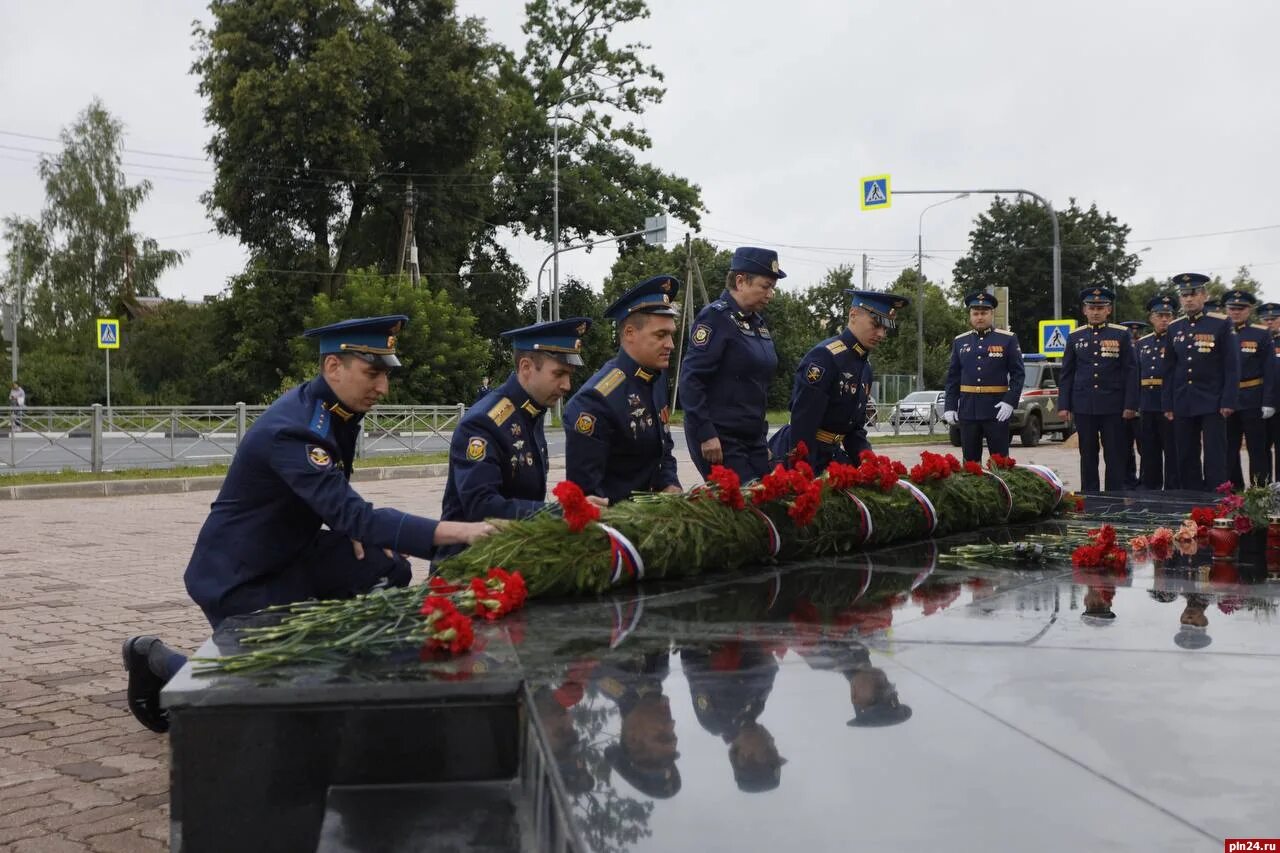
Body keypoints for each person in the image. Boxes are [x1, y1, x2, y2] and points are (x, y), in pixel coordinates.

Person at [123, 316, 496, 733]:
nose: (383, 388)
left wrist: (353, 527)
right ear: (333, 367)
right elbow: (352, 513)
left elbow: (333, 501)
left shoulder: (333, 411)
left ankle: (339, 666)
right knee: (260, 700)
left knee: (385, 565)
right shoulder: (297, 429)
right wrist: (461, 531)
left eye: (386, 375)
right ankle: (155, 657)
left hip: (290, 555)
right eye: (373, 373)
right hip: (241, 577)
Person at [440, 318, 606, 555]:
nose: (567, 385)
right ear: (526, 367)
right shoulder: (484, 422)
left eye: (569, 375)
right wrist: (559, 512)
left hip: (510, 554)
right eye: (559, 374)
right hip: (469, 566)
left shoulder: (530, 412)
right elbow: (482, 507)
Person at [565, 275, 682, 504]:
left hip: (656, 519)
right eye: (661, 335)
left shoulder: (655, 377)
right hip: (619, 529)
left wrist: (671, 484)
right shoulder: (596, 400)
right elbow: (587, 496)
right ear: (629, 333)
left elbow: (663, 449)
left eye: (671, 334)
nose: (670, 344)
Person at [769, 290, 908, 472]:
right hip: (801, 456)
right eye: (875, 325)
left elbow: (854, 430)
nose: (881, 334)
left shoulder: (865, 368)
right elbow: (803, 423)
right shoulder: (825, 357)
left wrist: (869, 464)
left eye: (885, 329)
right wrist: (802, 473)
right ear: (853, 315)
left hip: (831, 455)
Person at [679, 247, 783, 482]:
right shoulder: (715, 318)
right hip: (720, 439)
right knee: (746, 510)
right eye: (765, 287)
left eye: (773, 288)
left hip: (752, 438)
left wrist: (760, 439)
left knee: (771, 502)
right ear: (741, 281)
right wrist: (705, 433)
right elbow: (691, 380)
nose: (770, 294)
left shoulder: (758, 323)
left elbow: (756, 387)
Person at [1058, 287, 1140, 492]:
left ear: (1108, 310)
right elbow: (1067, 373)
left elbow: (1131, 371)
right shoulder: (1075, 336)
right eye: (1091, 307)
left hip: (1113, 405)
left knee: (1114, 454)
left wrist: (1131, 404)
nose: (1095, 312)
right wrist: (1063, 404)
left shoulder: (1120, 334)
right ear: (1084, 310)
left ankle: (1114, 496)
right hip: (1084, 404)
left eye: (1100, 307)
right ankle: (1090, 495)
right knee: (1087, 453)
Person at [1163, 273, 1239, 492]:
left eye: (1194, 294)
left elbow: (1231, 366)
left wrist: (1228, 400)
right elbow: (1169, 368)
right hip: (1183, 400)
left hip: (1212, 399)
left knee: (1215, 454)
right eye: (1184, 295)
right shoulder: (1174, 327)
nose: (1188, 299)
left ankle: (1216, 502)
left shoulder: (1221, 323)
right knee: (1186, 453)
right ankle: (1191, 500)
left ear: (1204, 296)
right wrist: (1168, 403)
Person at [681, 640, 785, 793]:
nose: (772, 741)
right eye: (774, 748)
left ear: (744, 757)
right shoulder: (756, 709)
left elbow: (695, 664)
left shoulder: (715, 720)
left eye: (768, 751)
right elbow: (767, 666)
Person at [942, 290, 1025, 464]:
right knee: (970, 463)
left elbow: (1018, 374)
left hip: (996, 409)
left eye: (984, 313)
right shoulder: (960, 341)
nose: (980, 317)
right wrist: (950, 406)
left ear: (991, 314)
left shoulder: (1007, 339)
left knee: (1000, 462)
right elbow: (953, 377)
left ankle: (1002, 491)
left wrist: (1010, 401)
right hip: (968, 410)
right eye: (976, 313)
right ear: (970, 315)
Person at [1222, 289, 1276, 488]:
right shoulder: (1219, 333)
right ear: (1225, 309)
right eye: (1232, 308)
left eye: (1241, 308)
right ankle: (1233, 490)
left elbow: (1269, 371)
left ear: (1249, 310)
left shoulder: (1260, 334)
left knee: (1257, 448)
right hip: (1227, 399)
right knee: (1228, 448)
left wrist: (1268, 402)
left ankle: (1260, 491)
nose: (1236, 312)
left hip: (1253, 398)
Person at [1136, 295, 1179, 490]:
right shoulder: (1142, 343)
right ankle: (1150, 489)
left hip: (1169, 403)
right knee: (1149, 451)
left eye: (1168, 315)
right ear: (1151, 318)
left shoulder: (1179, 340)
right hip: (1147, 403)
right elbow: (1136, 374)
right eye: (1159, 315)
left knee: (1172, 450)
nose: (1164, 319)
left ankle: (1172, 490)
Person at [1119, 321, 1149, 488]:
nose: (1133, 336)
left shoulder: (1144, 349)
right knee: (1124, 447)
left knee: (1144, 447)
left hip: (1141, 406)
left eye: (1136, 333)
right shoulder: (1118, 350)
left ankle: (1144, 480)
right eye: (1131, 333)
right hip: (1121, 405)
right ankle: (1128, 479)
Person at [1260, 301, 1280, 481]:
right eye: (1265, 319)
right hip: (1261, 401)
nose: (1269, 322)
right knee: (1261, 447)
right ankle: (1264, 490)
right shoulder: (1258, 341)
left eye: (1273, 319)